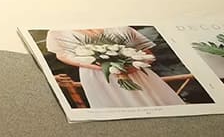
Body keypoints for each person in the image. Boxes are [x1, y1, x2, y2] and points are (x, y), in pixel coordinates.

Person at [45, 26, 185, 109]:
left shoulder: (119, 26)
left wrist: (131, 67)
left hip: (136, 73)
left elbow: (148, 54)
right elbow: (62, 55)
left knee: (154, 101)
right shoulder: (57, 32)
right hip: (98, 77)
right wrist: (101, 66)